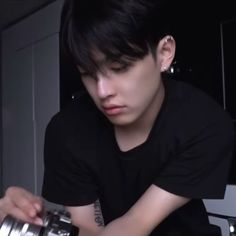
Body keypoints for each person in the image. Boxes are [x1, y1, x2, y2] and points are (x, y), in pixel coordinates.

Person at [0, 0, 235, 235]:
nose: (102, 92)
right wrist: (36, 228)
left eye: (120, 67)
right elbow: (88, 230)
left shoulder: (205, 123)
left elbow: (134, 225)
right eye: (88, 73)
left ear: (164, 53)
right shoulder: (66, 132)